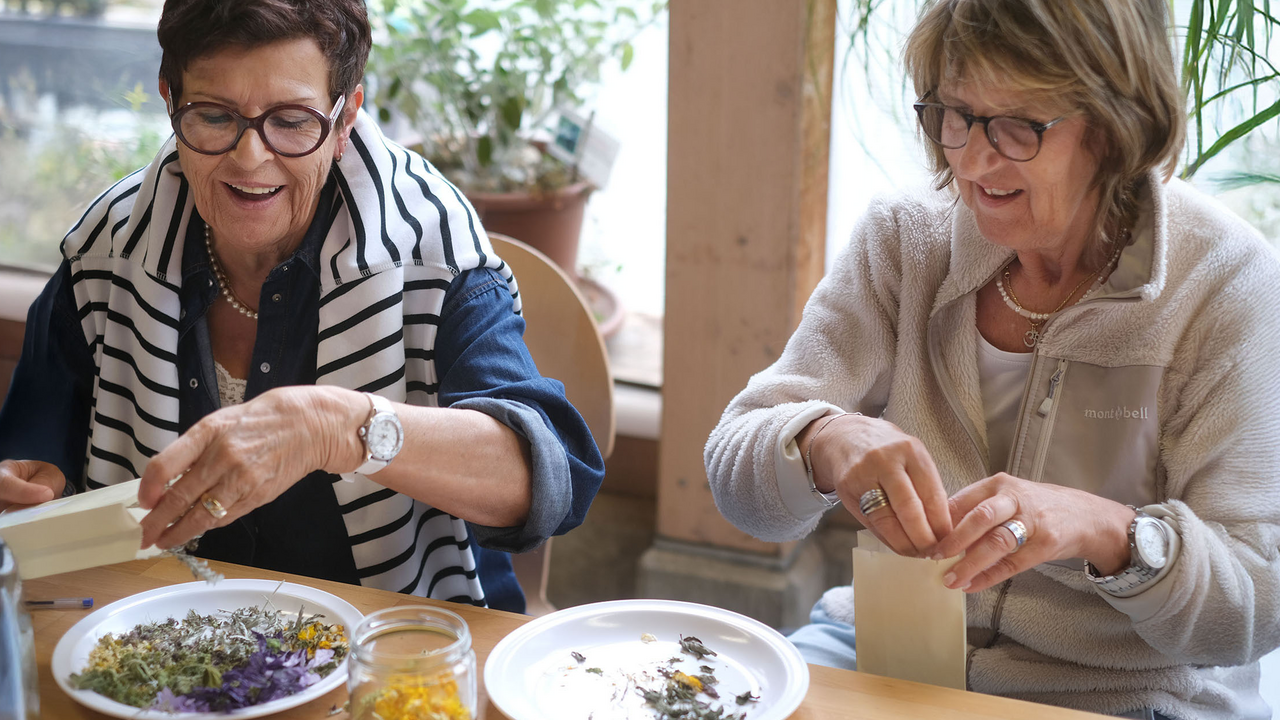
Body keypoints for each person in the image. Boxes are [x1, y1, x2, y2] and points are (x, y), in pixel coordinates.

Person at [705, 0, 1280, 717]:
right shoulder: (905, 242)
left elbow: (1254, 610)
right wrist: (820, 439)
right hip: (885, 652)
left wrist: (1110, 533)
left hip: (1127, 696)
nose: (973, 160)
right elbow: (734, 474)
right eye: (956, 114)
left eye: (1018, 127)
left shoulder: (1226, 283)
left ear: (1116, 125)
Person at [0, 0, 604, 614]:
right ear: (169, 99)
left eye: (291, 121)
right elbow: (37, 438)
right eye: (213, 115)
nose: (248, 158)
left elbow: (550, 478)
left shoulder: (431, 246)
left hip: (397, 642)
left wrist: (336, 428)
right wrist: (30, 480)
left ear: (346, 121)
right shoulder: (110, 246)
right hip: (160, 636)